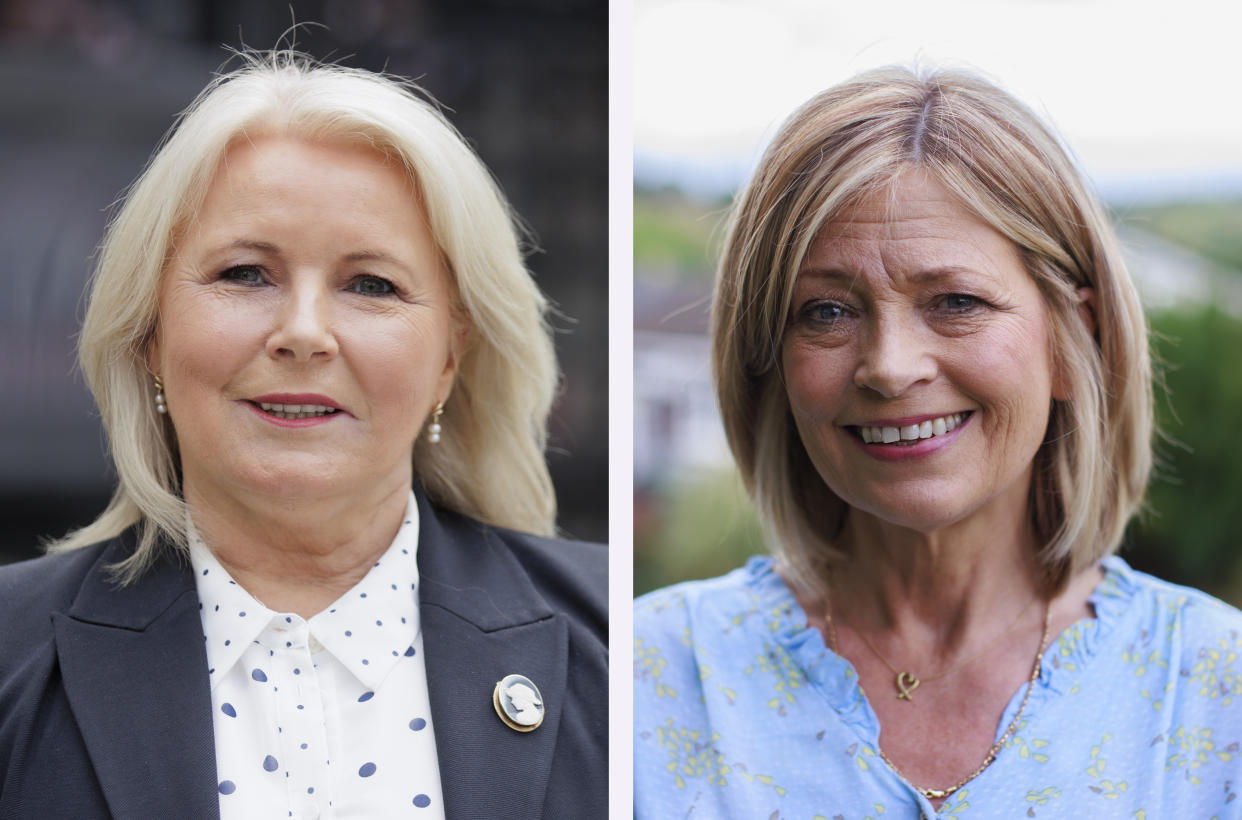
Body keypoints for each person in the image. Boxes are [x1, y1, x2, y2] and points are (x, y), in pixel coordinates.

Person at [0, 50, 606, 819]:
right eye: (246, 274)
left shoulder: (618, 642)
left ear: (450, 358)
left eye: (371, 285)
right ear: (150, 331)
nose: (304, 333)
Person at [634, 66, 1242, 818]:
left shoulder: (1215, 691)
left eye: (955, 302)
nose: (889, 366)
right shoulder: (645, 676)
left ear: (1071, 337)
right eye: (826, 312)